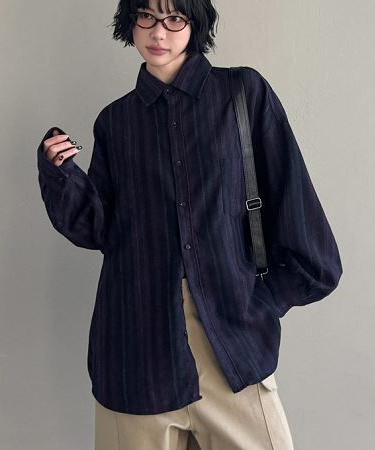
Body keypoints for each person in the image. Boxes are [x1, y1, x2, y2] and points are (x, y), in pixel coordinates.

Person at [36, 0, 343, 449]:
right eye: (146, 16)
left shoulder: (243, 93)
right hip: (137, 353)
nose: (158, 32)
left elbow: (294, 202)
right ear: (130, 22)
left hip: (230, 344)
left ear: (194, 24)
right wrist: (60, 174)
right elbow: (99, 230)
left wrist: (260, 302)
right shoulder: (116, 121)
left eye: (174, 19)